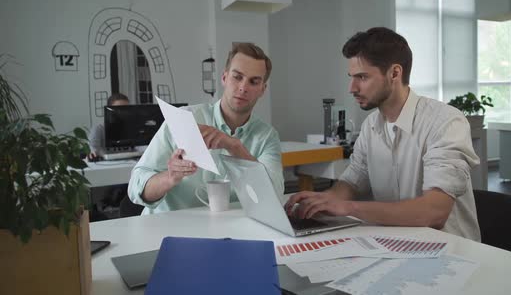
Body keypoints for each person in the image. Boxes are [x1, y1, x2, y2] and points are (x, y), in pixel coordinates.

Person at [285, 27, 481, 241]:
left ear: (394, 73)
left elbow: (434, 212)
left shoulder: (445, 121)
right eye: (351, 77)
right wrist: (320, 202)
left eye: (362, 77)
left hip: (451, 252)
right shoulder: (371, 126)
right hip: (394, 246)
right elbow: (350, 183)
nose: (352, 88)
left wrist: (347, 207)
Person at [128, 43, 284, 214]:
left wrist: (234, 146)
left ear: (262, 89)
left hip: (229, 230)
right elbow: (135, 187)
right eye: (237, 77)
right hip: (170, 229)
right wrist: (170, 177)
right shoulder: (184, 119)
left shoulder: (267, 136)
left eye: (254, 82)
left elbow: (275, 195)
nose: (243, 87)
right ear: (224, 78)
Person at [88, 93, 129, 160]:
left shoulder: (131, 128)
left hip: (130, 164)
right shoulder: (99, 129)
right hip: (107, 164)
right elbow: (92, 148)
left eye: (126, 109)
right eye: (118, 108)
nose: (122, 112)